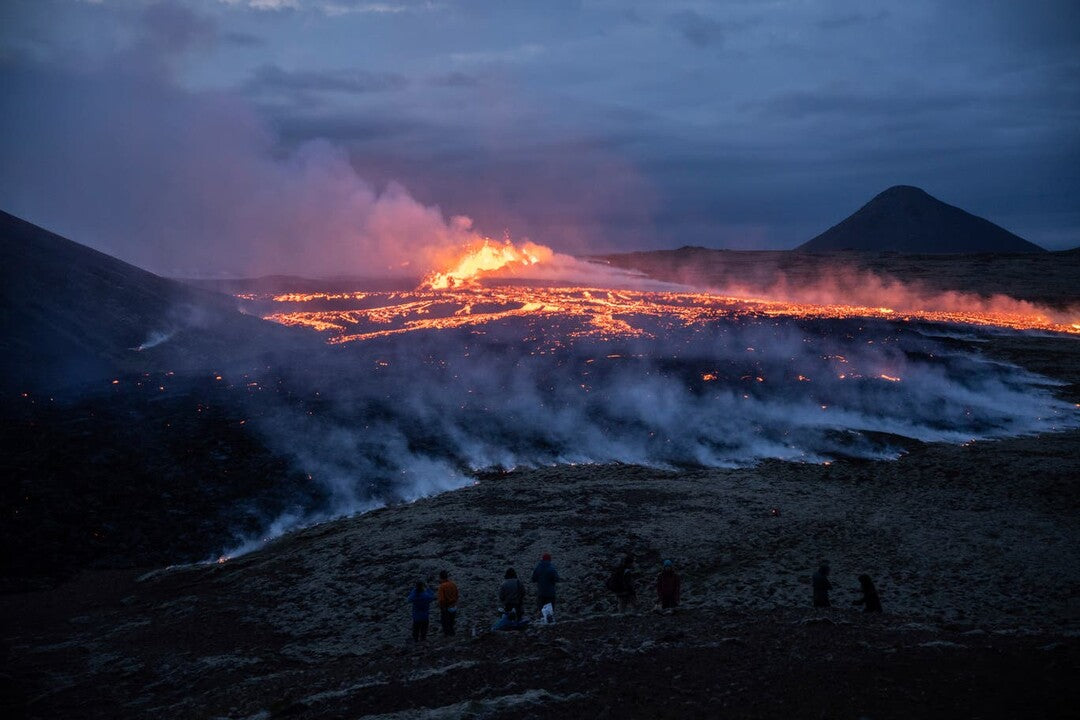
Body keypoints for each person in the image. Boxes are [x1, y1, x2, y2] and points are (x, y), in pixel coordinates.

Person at [436, 570, 460, 636]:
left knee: (445, 622)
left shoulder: (442, 586)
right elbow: (457, 594)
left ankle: (447, 636)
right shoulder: (453, 584)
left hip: (446, 606)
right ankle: (452, 634)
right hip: (453, 605)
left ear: (440, 577)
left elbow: (441, 599)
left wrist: (441, 606)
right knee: (451, 622)